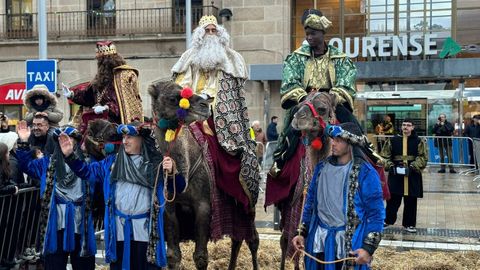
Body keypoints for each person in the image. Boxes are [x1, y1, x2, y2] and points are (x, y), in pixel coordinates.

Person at [266, 9, 359, 265]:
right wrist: (304, 98)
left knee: (355, 130)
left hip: (330, 104)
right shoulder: (296, 57)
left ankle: (368, 158)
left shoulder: (340, 58)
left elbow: (346, 84)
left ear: (323, 34)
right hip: (305, 104)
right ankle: (281, 161)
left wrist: (331, 97)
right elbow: (289, 84)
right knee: (291, 133)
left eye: (314, 33)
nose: (309, 37)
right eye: (307, 33)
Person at [172, 15, 259, 243]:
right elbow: (180, 84)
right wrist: (188, 97)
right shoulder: (188, 58)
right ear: (200, 36)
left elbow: (232, 95)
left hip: (217, 113)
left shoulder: (232, 59)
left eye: (214, 30)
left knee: (222, 148)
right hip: (189, 110)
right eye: (206, 31)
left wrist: (209, 102)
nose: (211, 34)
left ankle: (229, 193)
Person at [60, 121, 185, 270]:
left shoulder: (156, 164)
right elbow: (86, 172)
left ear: (141, 139)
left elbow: (179, 188)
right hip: (118, 230)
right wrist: (69, 155)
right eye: (124, 137)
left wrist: (172, 172)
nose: (125, 141)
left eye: (130, 137)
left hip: (145, 231)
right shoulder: (111, 162)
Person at [292, 122, 384, 270]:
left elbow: (376, 214)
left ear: (351, 143)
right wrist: (301, 233)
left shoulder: (366, 173)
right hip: (319, 240)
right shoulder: (321, 169)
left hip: (350, 244)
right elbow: (310, 204)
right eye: (332, 139)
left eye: (338, 140)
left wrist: (368, 249)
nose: (333, 143)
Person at [16, 122, 96, 269]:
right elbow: (26, 166)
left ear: (77, 142)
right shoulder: (47, 163)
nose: (65, 142)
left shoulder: (88, 163)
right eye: (61, 138)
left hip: (81, 223)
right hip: (54, 224)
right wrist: (24, 142)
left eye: (69, 138)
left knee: (84, 265)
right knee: (54, 264)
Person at [63, 41, 143, 133]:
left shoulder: (122, 77)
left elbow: (121, 102)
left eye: (101, 62)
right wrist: (72, 94)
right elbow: (87, 96)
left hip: (116, 125)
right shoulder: (100, 80)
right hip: (99, 122)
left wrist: (106, 108)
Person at [381, 119, 428, 233]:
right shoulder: (392, 140)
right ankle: (387, 220)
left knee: (411, 200)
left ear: (412, 127)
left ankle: (409, 224)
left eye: (408, 125)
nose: (405, 127)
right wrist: (390, 166)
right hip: (396, 173)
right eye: (404, 125)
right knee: (393, 199)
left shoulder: (419, 141)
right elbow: (384, 156)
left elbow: (423, 157)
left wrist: (412, 167)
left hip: (412, 174)